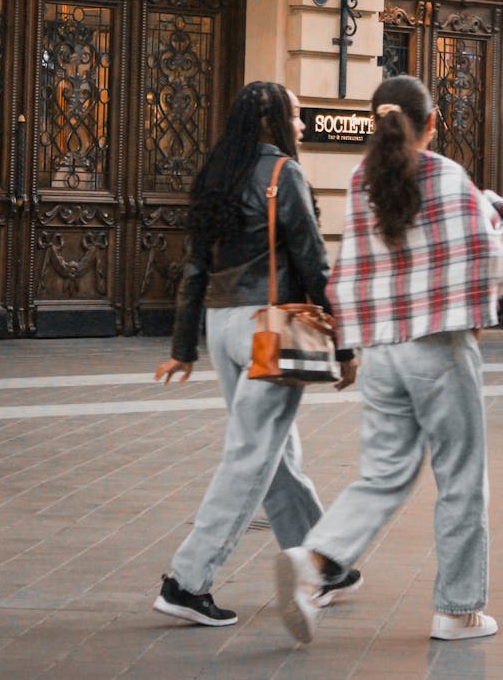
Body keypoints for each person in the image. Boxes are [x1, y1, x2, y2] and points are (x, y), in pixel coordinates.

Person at [275, 74, 503, 646]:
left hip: (383, 353)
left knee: (382, 475)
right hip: (439, 349)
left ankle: (315, 562)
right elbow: (486, 260)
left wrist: (350, 347)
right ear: (431, 123)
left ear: (375, 120)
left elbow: (351, 271)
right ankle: (458, 611)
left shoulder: (362, 180)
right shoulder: (446, 175)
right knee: (461, 479)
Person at [153, 80, 359, 628]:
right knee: (251, 457)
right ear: (273, 122)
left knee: (275, 454)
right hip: (270, 328)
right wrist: (345, 344)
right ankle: (187, 581)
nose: (300, 124)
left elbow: (194, 267)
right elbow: (314, 265)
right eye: (295, 116)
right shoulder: (282, 175)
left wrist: (183, 348)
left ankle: (325, 561)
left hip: (222, 326)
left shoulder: (215, 176)